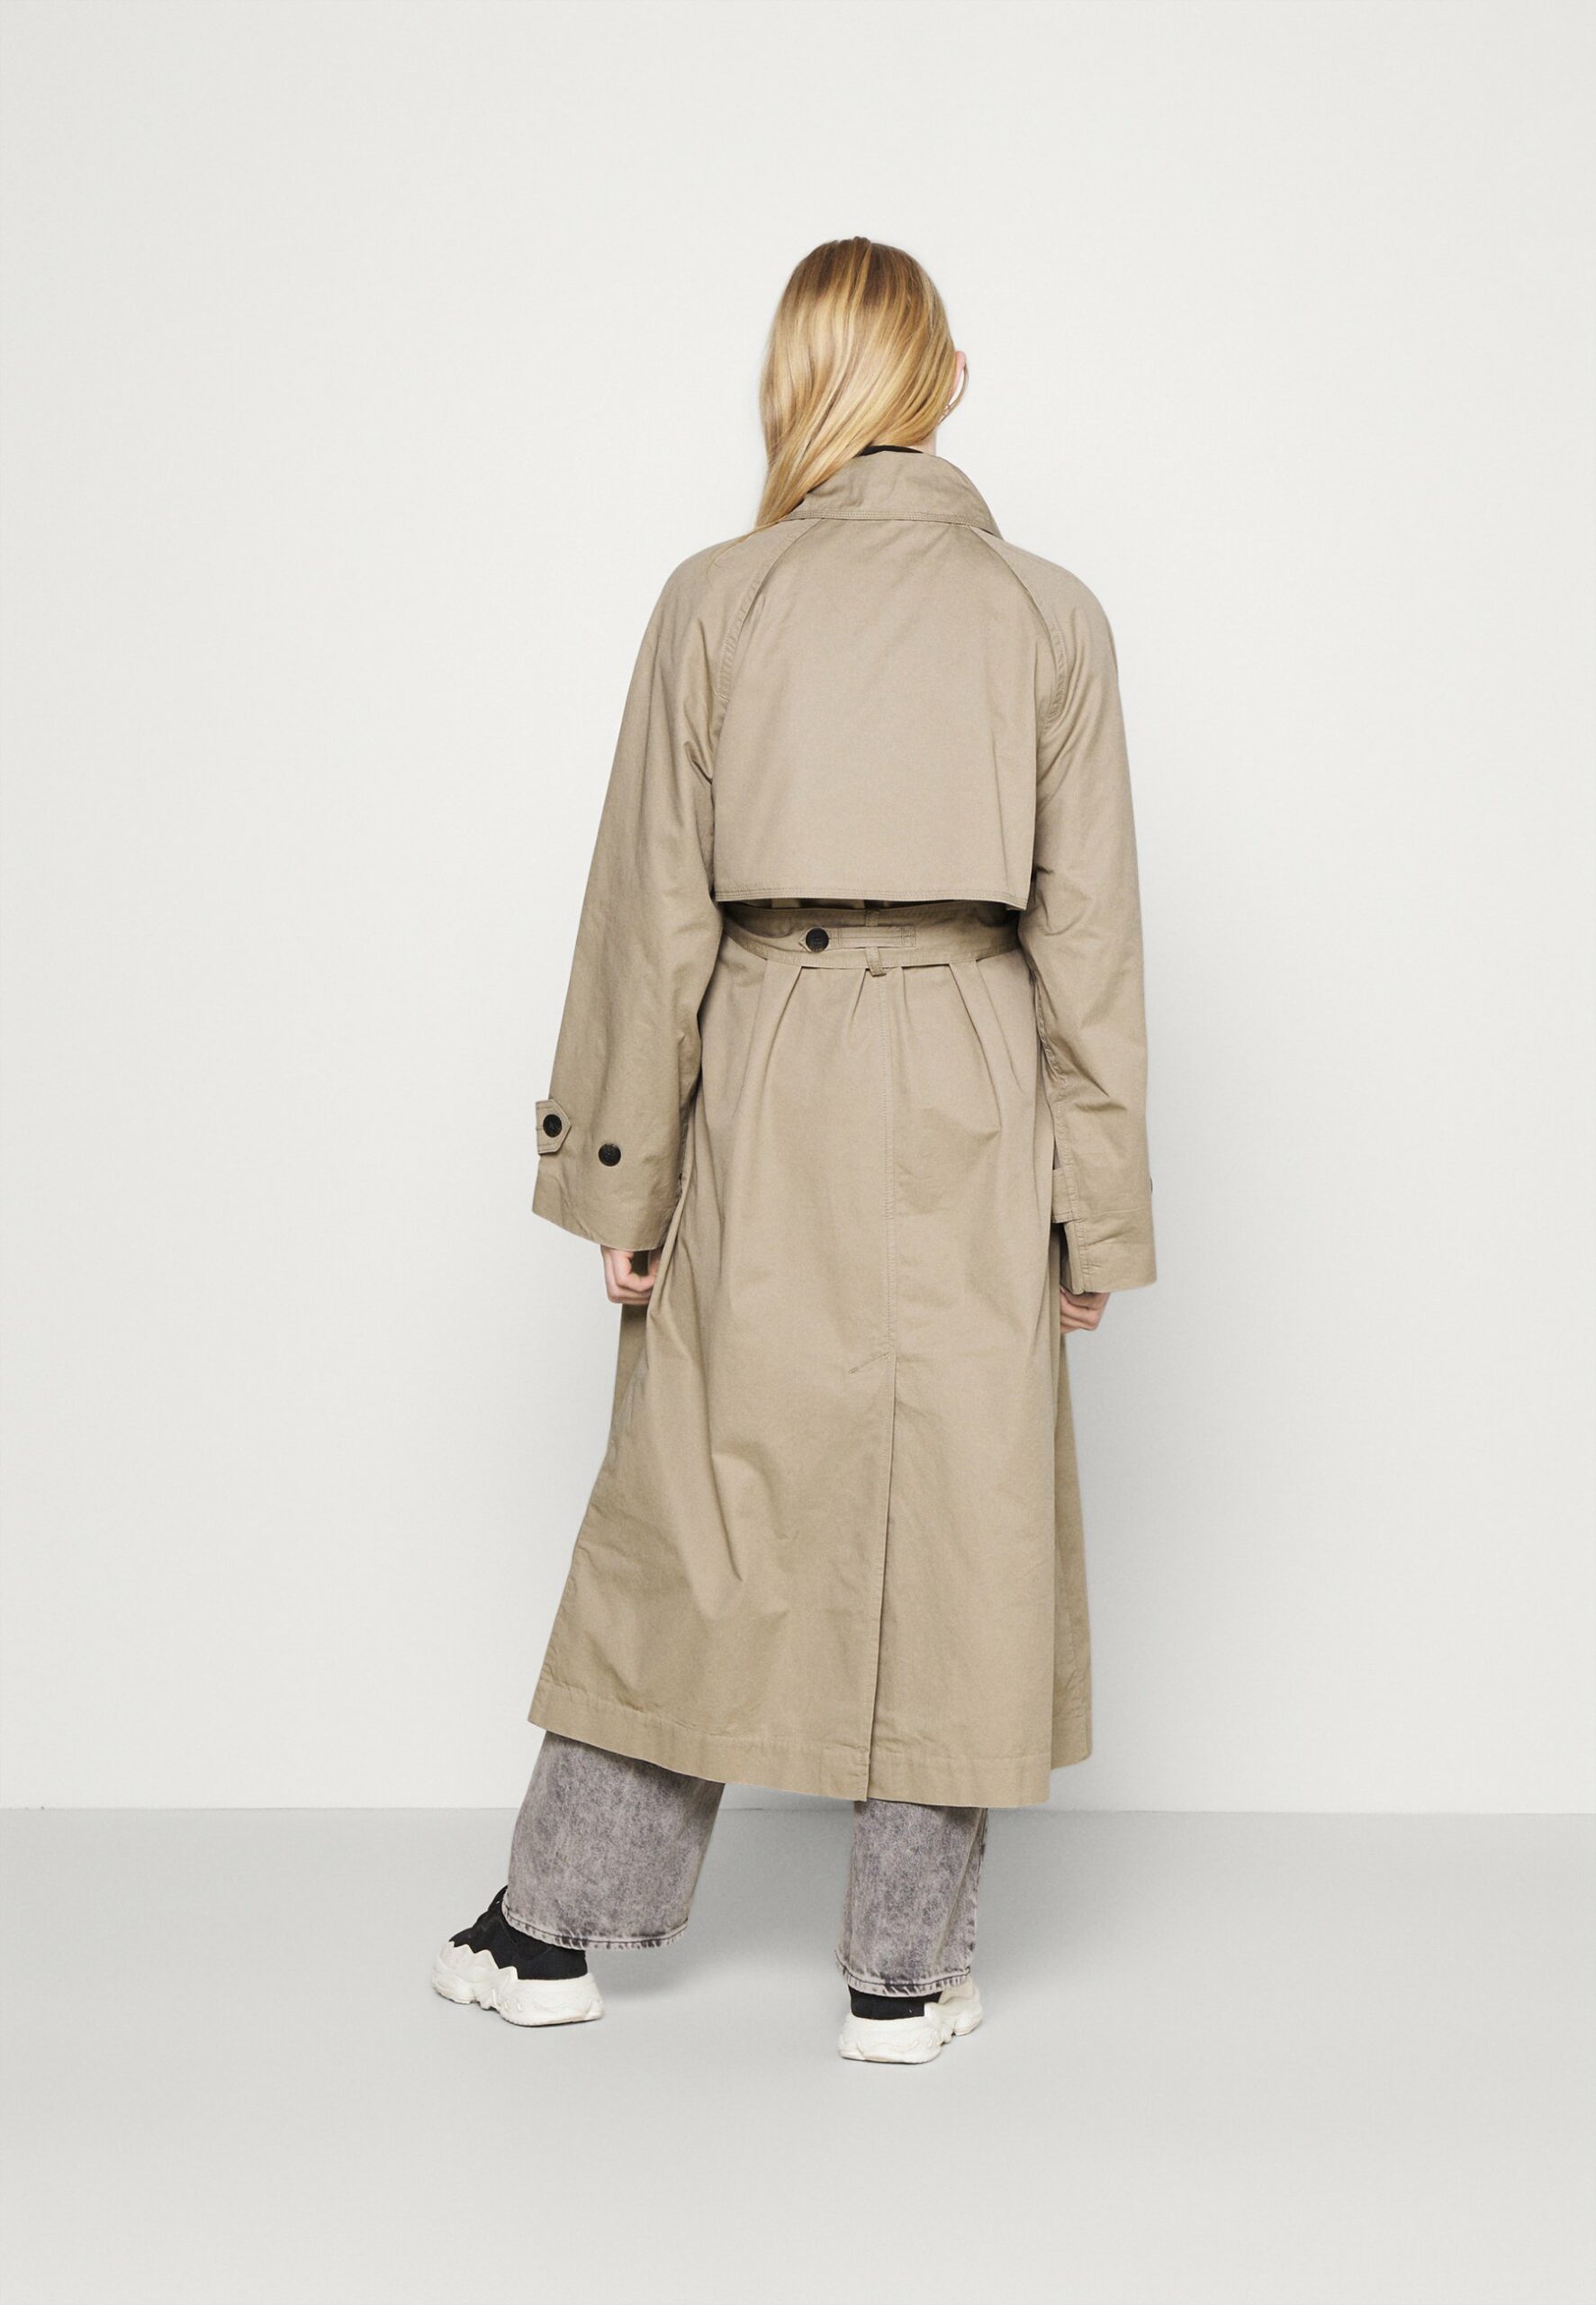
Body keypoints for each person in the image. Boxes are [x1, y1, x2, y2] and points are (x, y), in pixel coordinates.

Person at [432, 236, 1156, 2065]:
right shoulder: (1048, 614)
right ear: (942, 378)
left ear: (795, 380)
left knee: (694, 1503)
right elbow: (1090, 940)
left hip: (764, 1057)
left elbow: (648, 911)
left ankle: (547, 1933)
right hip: (977, 1069)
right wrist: (1090, 1217)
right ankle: (900, 1977)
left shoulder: (717, 599)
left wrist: (621, 1175)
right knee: (959, 1514)